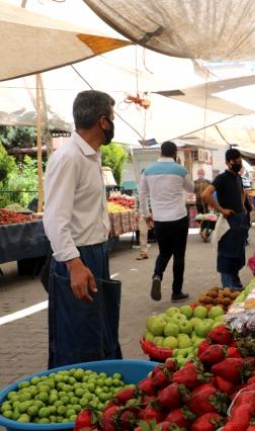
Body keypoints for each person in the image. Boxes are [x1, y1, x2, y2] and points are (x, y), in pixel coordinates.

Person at [43, 90, 122, 368]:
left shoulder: (92, 156)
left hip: (95, 254)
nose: (113, 123)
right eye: (112, 118)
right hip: (78, 258)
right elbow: (54, 217)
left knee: (100, 334)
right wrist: (74, 264)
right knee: (77, 343)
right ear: (103, 121)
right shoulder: (69, 157)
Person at [139, 141, 193, 302]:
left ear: (160, 153)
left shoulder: (148, 171)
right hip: (179, 217)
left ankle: (157, 275)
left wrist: (147, 214)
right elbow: (190, 188)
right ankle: (176, 292)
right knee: (179, 255)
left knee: (164, 252)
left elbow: (142, 194)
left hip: (160, 219)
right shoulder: (181, 170)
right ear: (175, 154)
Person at [201, 149, 250, 289]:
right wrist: (221, 210)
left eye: (240, 161)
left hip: (240, 221)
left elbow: (243, 191)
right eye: (235, 162)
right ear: (227, 163)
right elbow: (205, 195)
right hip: (229, 222)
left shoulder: (238, 177)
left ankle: (236, 283)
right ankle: (228, 287)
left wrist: (242, 206)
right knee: (227, 255)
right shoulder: (222, 178)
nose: (238, 164)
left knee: (238, 255)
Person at [136, 169, 149, 260]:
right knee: (142, 232)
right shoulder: (139, 186)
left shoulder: (154, 185)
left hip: (155, 211)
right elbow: (138, 200)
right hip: (142, 212)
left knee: (161, 231)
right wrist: (137, 212)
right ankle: (144, 252)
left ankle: (165, 251)